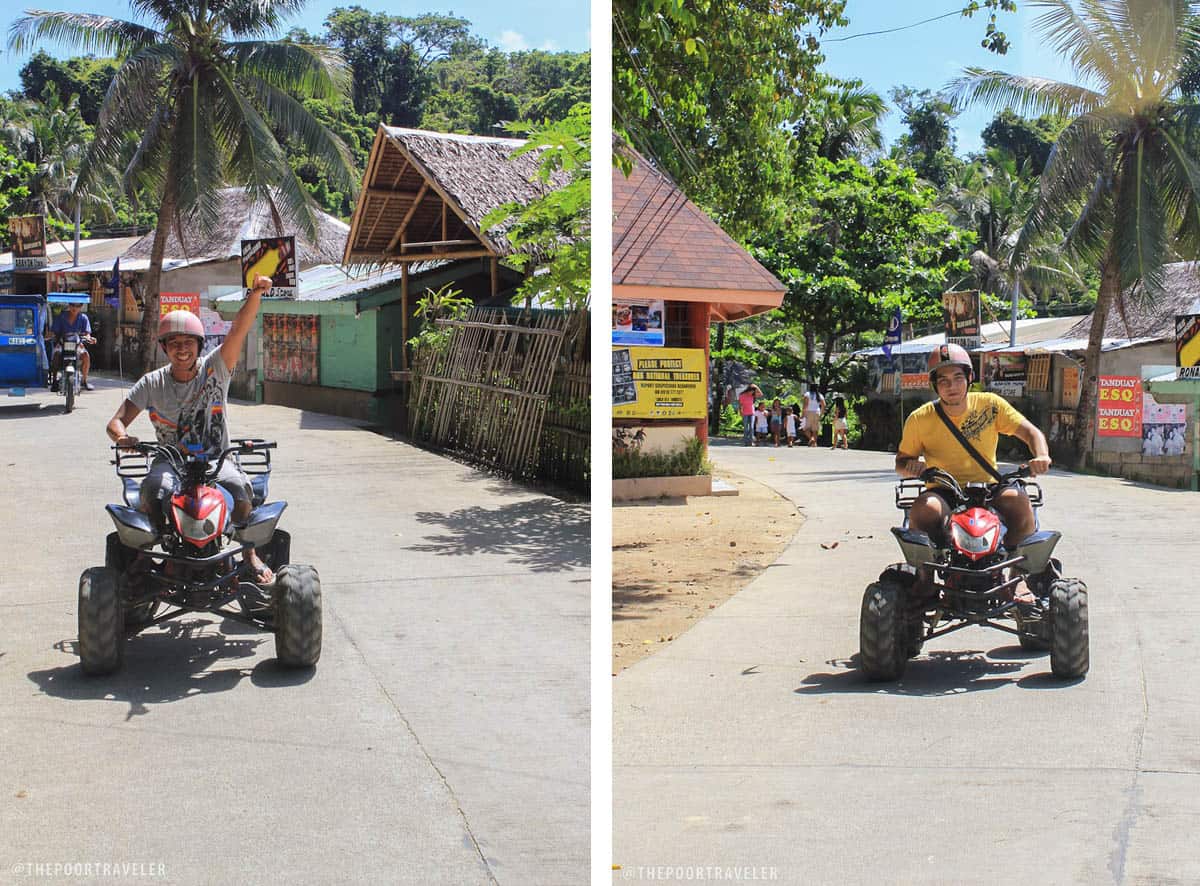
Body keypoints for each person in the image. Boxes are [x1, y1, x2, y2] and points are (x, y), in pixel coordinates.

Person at [106, 275, 275, 583]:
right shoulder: (152, 383)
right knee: (152, 491)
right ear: (164, 348)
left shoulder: (217, 369)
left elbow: (238, 329)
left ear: (199, 345)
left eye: (187, 343)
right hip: (170, 462)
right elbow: (115, 423)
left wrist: (255, 293)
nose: (181, 349)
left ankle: (249, 553)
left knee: (241, 492)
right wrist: (123, 437)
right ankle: (148, 555)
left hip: (216, 460)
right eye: (173, 344)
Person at [895, 343, 1051, 558]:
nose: (952, 386)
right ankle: (925, 578)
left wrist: (1041, 455)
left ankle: (1018, 574)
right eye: (944, 381)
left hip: (989, 488)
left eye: (958, 378)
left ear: (970, 378)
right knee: (925, 508)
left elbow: (1031, 433)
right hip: (944, 490)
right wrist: (911, 467)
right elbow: (901, 463)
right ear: (935, 385)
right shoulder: (919, 418)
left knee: (1019, 500)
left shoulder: (991, 404)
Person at [46, 300, 97, 390]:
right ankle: (54, 381)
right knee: (56, 355)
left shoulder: (83, 318)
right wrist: (48, 336)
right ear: (69, 305)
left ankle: (84, 381)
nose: (74, 308)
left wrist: (90, 338)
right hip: (62, 343)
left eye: (77, 306)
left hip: (77, 344)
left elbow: (87, 333)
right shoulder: (61, 317)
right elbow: (53, 332)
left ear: (81, 307)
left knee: (86, 355)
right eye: (73, 305)